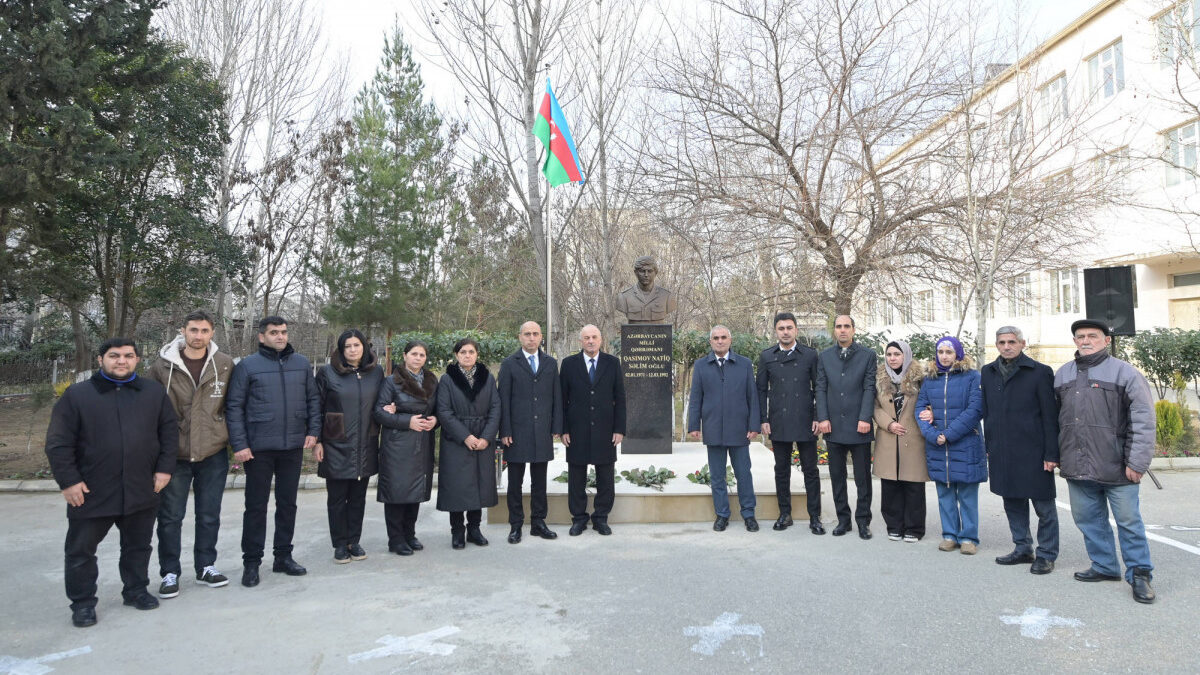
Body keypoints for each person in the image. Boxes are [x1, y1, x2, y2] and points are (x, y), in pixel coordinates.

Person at [45, 338, 177, 627]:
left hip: (142, 487)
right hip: (91, 491)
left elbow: (169, 434)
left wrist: (164, 470)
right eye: (114, 355)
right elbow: (58, 443)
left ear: (137, 360)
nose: (121, 361)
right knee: (80, 551)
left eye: (128, 356)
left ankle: (136, 590)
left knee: (138, 547)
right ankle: (82, 604)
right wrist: (69, 482)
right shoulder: (77, 395)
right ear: (101, 359)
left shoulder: (152, 393)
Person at [1055, 319, 1157, 603]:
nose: (1085, 341)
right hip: (1077, 464)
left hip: (1118, 466)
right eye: (1080, 337)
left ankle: (1140, 574)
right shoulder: (1063, 374)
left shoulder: (1126, 373)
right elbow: (1055, 419)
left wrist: (1137, 462)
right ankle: (1104, 565)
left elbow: (1144, 420)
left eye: (1092, 336)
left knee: (1128, 522)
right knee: (1087, 518)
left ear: (1106, 341)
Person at [225, 316, 321, 587]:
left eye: (283, 332)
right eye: (274, 333)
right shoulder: (247, 367)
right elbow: (234, 407)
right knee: (256, 507)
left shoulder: (301, 364)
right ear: (261, 337)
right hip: (259, 449)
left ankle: (283, 557)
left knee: (287, 504)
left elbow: (313, 399)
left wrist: (313, 430)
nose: (280, 337)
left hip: (292, 446)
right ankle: (252, 562)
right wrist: (240, 444)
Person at [148, 310, 235, 600]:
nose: (198, 336)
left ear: (212, 333)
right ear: (183, 331)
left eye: (204, 331)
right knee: (171, 516)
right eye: (193, 330)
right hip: (175, 453)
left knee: (209, 515)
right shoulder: (162, 366)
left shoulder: (224, 365)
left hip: (213, 452)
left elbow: (231, 406)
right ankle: (169, 572)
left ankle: (206, 566)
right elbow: (149, 409)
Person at [981, 326, 1059, 574]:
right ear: (997, 345)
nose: (1007, 346)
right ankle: (1023, 548)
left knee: (1044, 508)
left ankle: (1046, 554)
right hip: (1002, 451)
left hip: (1034, 452)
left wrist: (1051, 454)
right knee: (1012, 503)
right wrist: (989, 445)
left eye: (1012, 341)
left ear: (1022, 343)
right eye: (1002, 342)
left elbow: (1050, 417)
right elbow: (987, 413)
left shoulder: (1039, 372)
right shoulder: (988, 372)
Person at [314, 329, 383, 564]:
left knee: (358, 497)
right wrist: (317, 440)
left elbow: (382, 402)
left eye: (357, 345)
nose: (353, 350)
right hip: (336, 444)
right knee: (337, 498)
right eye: (348, 346)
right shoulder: (327, 373)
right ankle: (339, 544)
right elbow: (317, 408)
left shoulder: (376, 372)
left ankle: (354, 540)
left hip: (365, 443)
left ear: (364, 347)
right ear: (341, 350)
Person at [916, 336, 986, 555]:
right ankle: (949, 534)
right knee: (944, 491)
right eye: (940, 352)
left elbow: (975, 410)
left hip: (965, 443)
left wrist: (947, 435)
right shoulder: (930, 379)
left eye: (949, 352)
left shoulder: (972, 377)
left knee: (966, 493)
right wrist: (932, 434)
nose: (944, 356)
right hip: (938, 445)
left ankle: (969, 537)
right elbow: (920, 410)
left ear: (958, 354)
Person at [688, 325, 761, 532]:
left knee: (743, 474)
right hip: (713, 429)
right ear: (710, 342)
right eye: (716, 338)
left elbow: (752, 397)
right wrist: (694, 425)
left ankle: (749, 514)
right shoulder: (701, 365)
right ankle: (722, 515)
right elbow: (696, 398)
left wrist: (754, 425)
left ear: (730, 340)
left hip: (739, 429)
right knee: (717, 476)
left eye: (723, 337)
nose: (720, 341)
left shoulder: (745, 364)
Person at [756, 312, 823, 533]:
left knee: (811, 470)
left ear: (796, 330)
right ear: (776, 331)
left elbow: (819, 389)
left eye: (789, 328)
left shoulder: (810, 355)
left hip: (805, 421)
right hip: (779, 420)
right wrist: (763, 420)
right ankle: (785, 514)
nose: (785, 332)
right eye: (781, 328)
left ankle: (815, 517)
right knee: (781, 470)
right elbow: (761, 390)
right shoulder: (767, 356)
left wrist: (817, 417)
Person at [499, 321, 563, 544]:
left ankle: (538, 522)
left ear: (541, 336)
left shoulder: (550, 363)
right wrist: (504, 429)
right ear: (520, 337)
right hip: (516, 432)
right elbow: (503, 400)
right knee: (515, 482)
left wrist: (557, 426)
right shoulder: (509, 364)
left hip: (542, 431)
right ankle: (515, 525)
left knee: (539, 481)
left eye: (535, 334)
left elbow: (556, 396)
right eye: (527, 334)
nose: (531, 338)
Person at [560, 324, 626, 536]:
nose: (590, 341)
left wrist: (619, 428)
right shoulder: (569, 364)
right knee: (576, 478)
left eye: (594, 337)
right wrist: (563, 429)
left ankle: (600, 518)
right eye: (586, 337)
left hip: (606, 430)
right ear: (580, 341)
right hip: (577, 430)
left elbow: (621, 398)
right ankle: (578, 518)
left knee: (605, 478)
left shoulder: (612, 363)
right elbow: (562, 400)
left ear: (601, 340)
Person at [374, 340, 439, 555]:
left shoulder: (431, 380)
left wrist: (435, 420)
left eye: (421, 355)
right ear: (404, 356)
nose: (418, 358)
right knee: (397, 493)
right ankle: (396, 539)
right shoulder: (391, 382)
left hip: (422, 444)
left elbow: (437, 409)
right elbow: (379, 413)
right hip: (397, 445)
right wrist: (406, 421)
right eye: (414, 354)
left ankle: (410, 534)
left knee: (415, 492)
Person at [815, 315, 877, 539]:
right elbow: (820, 388)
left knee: (862, 478)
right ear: (834, 331)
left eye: (846, 326)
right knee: (837, 476)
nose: (842, 330)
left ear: (853, 329)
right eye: (839, 327)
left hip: (859, 425)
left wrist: (865, 417)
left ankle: (863, 521)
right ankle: (844, 520)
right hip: (833, 427)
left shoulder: (868, 356)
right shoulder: (824, 357)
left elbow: (870, 387)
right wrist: (822, 417)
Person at [436, 338, 501, 549]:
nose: (467, 355)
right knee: (457, 487)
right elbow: (444, 412)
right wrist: (465, 436)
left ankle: (474, 529)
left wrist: (486, 437)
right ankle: (457, 531)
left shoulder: (488, 378)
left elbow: (495, 409)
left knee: (479, 485)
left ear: (477, 355)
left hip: (483, 438)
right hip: (456, 440)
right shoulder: (447, 379)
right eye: (463, 352)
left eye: (471, 351)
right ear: (456, 355)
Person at [872, 340, 928, 543]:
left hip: (912, 437)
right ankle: (894, 525)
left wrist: (929, 413)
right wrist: (888, 424)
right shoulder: (879, 378)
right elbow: (875, 406)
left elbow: (929, 402)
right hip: (888, 436)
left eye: (897, 354)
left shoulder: (920, 378)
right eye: (889, 354)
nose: (892, 358)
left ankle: (914, 528)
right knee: (890, 485)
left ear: (905, 355)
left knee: (913, 486)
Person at [614, 256, 677, 324]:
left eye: (650, 271)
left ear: (655, 272)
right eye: (642, 271)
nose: (646, 275)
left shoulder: (667, 297)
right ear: (636, 273)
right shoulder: (623, 297)